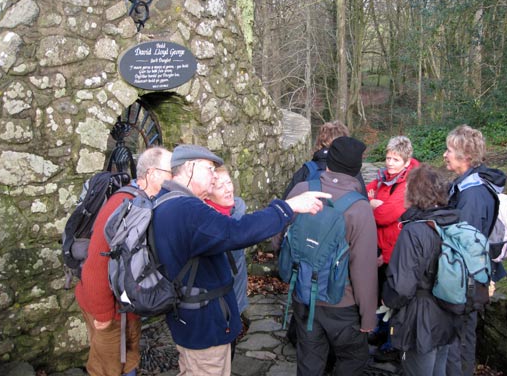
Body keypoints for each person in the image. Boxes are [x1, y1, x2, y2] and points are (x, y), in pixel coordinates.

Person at [152, 144, 331, 376]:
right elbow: (236, 232)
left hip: (190, 318)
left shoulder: (167, 200)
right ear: (189, 169)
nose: (215, 176)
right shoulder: (186, 208)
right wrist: (288, 207)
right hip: (203, 325)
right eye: (209, 169)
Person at [75, 146, 173, 376]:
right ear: (151, 174)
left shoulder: (145, 203)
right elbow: (96, 263)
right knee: (107, 369)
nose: (175, 177)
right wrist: (103, 315)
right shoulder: (122, 205)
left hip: (127, 307)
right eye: (170, 171)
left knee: (129, 359)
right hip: (106, 308)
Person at [285, 136, 379, 375]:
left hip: (303, 295)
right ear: (357, 169)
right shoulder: (359, 209)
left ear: (328, 164)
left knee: (309, 361)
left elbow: (280, 238)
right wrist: (368, 319)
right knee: (353, 359)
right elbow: (364, 270)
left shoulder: (302, 190)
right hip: (342, 304)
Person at [382, 164, 464, 376]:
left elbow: (402, 286)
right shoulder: (452, 221)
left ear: (413, 192)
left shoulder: (414, 230)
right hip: (448, 310)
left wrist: (387, 301)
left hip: (421, 319)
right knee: (440, 369)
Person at [443, 125, 507, 376]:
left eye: (450, 150)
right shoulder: (470, 185)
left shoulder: (473, 195)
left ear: (466, 158)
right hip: (469, 278)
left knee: (458, 339)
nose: (445, 155)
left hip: (465, 282)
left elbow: (464, 244)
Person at [365, 136, 419, 357]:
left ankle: (392, 343)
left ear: (406, 162)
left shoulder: (408, 183)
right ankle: (380, 331)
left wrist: (373, 206)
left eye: (395, 159)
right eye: (388, 157)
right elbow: (365, 193)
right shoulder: (383, 178)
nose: (389, 163)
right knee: (381, 294)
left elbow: (387, 214)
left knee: (394, 296)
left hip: (396, 250)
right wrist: (372, 202)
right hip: (381, 247)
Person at [205, 165, 249, 358]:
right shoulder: (203, 222)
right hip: (212, 308)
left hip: (234, 300)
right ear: (207, 191)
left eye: (229, 182)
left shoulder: (237, 209)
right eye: (220, 185)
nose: (228, 189)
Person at [282, 120, 367, 199]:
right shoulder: (353, 172)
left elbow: (287, 203)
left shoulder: (307, 170)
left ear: (319, 142)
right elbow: (363, 204)